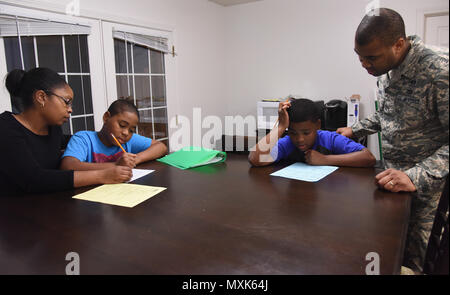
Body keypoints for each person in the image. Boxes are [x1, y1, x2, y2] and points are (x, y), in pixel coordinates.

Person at [336, 8, 449, 273]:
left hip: (428, 190)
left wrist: (416, 176)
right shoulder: (385, 68)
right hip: (393, 182)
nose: (364, 64)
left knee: (415, 261)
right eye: (359, 57)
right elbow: (390, 113)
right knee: (390, 254)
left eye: (370, 57)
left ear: (399, 44)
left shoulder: (440, 71)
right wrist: (356, 129)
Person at [0, 68, 133, 196]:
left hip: (50, 206)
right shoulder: (6, 128)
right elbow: (33, 179)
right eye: (66, 102)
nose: (70, 110)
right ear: (41, 97)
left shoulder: (52, 129)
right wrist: (103, 175)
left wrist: (102, 139)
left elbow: (73, 140)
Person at [248, 98, 376, 167]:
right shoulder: (288, 143)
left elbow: (368, 158)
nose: (299, 139)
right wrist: (281, 127)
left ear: (318, 125)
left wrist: (325, 159)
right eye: (293, 133)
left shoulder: (330, 139)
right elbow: (255, 159)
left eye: (306, 133)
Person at [60, 99, 167, 171]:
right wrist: (116, 165)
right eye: (122, 125)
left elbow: (161, 147)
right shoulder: (84, 139)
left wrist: (136, 159)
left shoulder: (128, 140)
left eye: (131, 130)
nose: (126, 133)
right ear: (106, 117)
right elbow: (68, 165)